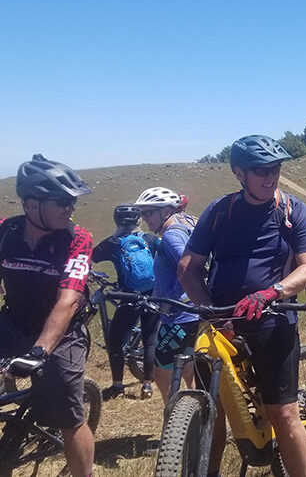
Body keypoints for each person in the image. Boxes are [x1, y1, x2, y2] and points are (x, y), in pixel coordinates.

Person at [177, 135, 306, 477]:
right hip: (221, 323)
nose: (270, 177)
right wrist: (209, 309)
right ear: (239, 173)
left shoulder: (291, 210)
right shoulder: (219, 211)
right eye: (261, 171)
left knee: (283, 414)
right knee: (212, 409)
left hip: (273, 322)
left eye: (275, 169)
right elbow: (188, 267)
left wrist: (270, 293)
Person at [0, 154, 95, 476]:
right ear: (31, 203)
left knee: (69, 417)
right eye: (63, 201)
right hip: (13, 320)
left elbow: (68, 300)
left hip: (62, 332)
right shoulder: (5, 232)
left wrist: (40, 351)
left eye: (73, 201)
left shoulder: (77, 239)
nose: (71, 207)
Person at [133, 186, 199, 404]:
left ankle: (174, 423)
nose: (145, 218)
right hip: (191, 312)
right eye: (143, 214)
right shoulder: (186, 222)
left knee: (163, 375)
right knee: (187, 370)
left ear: (166, 211)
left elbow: (187, 269)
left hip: (177, 317)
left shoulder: (171, 236)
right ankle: (193, 417)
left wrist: (169, 301)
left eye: (149, 212)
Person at [91, 203, 159, 400]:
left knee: (114, 341)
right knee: (150, 340)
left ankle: (117, 386)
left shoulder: (113, 242)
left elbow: (89, 259)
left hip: (128, 297)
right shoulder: (149, 239)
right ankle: (147, 386)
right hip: (152, 295)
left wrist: (93, 276)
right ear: (138, 220)